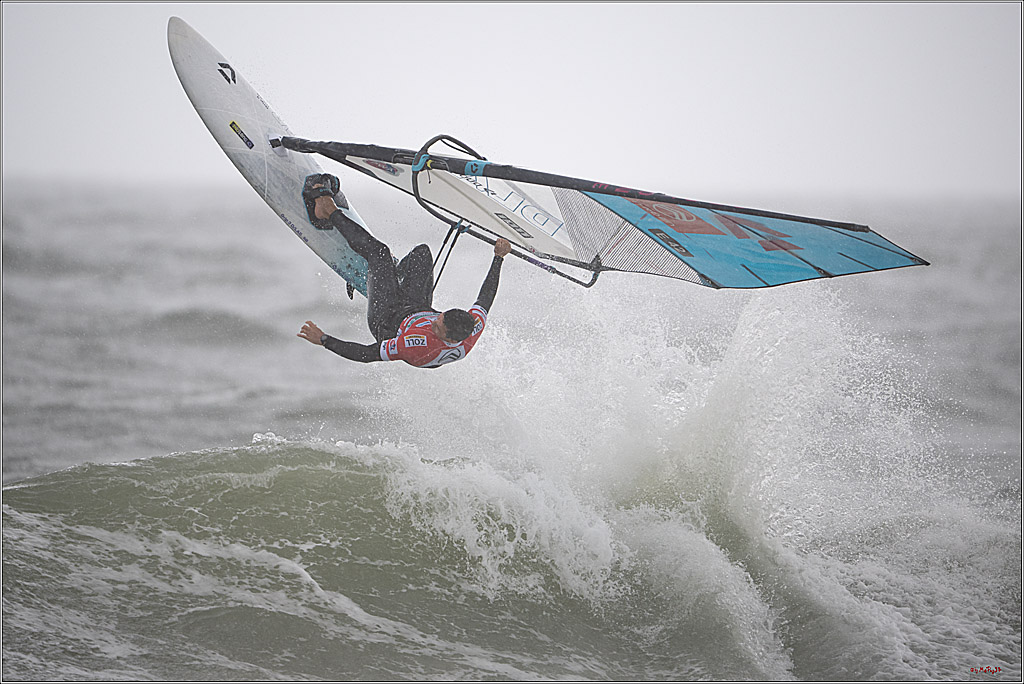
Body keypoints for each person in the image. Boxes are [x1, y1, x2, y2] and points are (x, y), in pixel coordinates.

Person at [296, 173, 512, 368]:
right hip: (417, 306)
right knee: (423, 254)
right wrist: (498, 257)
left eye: (437, 329)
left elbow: (367, 353)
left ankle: (325, 209)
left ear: (452, 341)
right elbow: (486, 298)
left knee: (379, 253)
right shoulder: (471, 328)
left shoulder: (418, 345)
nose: (432, 324)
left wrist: (324, 340)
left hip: (387, 319)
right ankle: (388, 273)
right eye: (438, 319)